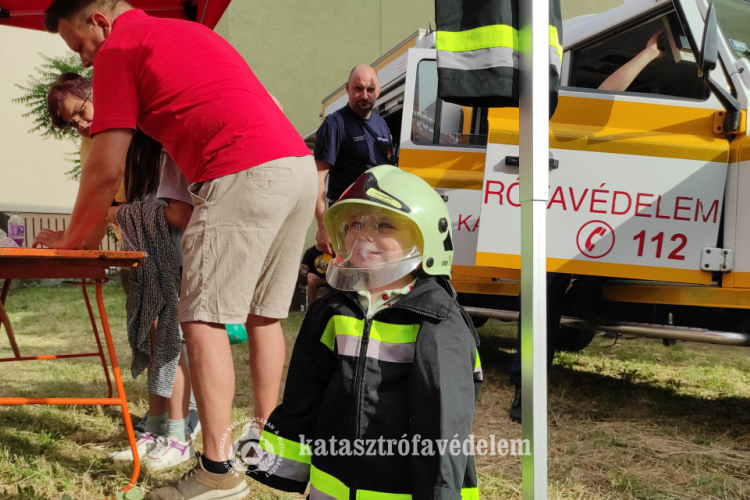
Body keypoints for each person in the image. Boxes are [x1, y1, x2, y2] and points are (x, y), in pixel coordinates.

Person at [37, 2, 316, 498]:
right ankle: (265, 449)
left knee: (200, 316)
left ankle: (217, 469)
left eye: (81, 46)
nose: (84, 62)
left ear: (100, 21)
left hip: (241, 167)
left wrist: (72, 240)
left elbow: (105, 168)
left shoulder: (121, 47)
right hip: (295, 168)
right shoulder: (181, 34)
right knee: (263, 315)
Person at [241, 165, 482, 499]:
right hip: (330, 486)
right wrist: (282, 465)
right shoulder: (332, 310)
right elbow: (303, 394)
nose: (363, 235)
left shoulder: (438, 321)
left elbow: (444, 421)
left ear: (427, 234)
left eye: (383, 224)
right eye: (354, 224)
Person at [508, 29, 668, 423]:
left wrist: (648, 55)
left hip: (590, 237)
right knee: (541, 305)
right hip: (552, 232)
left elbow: (609, 93)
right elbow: (605, 92)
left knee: (606, 268)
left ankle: (583, 296)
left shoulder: (619, 139)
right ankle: (524, 394)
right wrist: (647, 55)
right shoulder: (560, 122)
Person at [47, 72, 200, 469]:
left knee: (168, 339)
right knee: (151, 339)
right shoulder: (105, 144)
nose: (81, 125)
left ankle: (180, 433)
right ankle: (154, 430)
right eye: (73, 123)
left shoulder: (154, 137)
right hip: (142, 249)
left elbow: (177, 213)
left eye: (80, 112)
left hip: (169, 251)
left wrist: (113, 213)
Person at [313, 65, 395, 256]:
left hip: (376, 220)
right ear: (348, 88)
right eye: (358, 88)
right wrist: (323, 226)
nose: (364, 95)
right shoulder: (334, 125)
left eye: (370, 89)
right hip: (347, 220)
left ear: (378, 91)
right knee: (347, 282)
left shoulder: (381, 124)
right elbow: (317, 179)